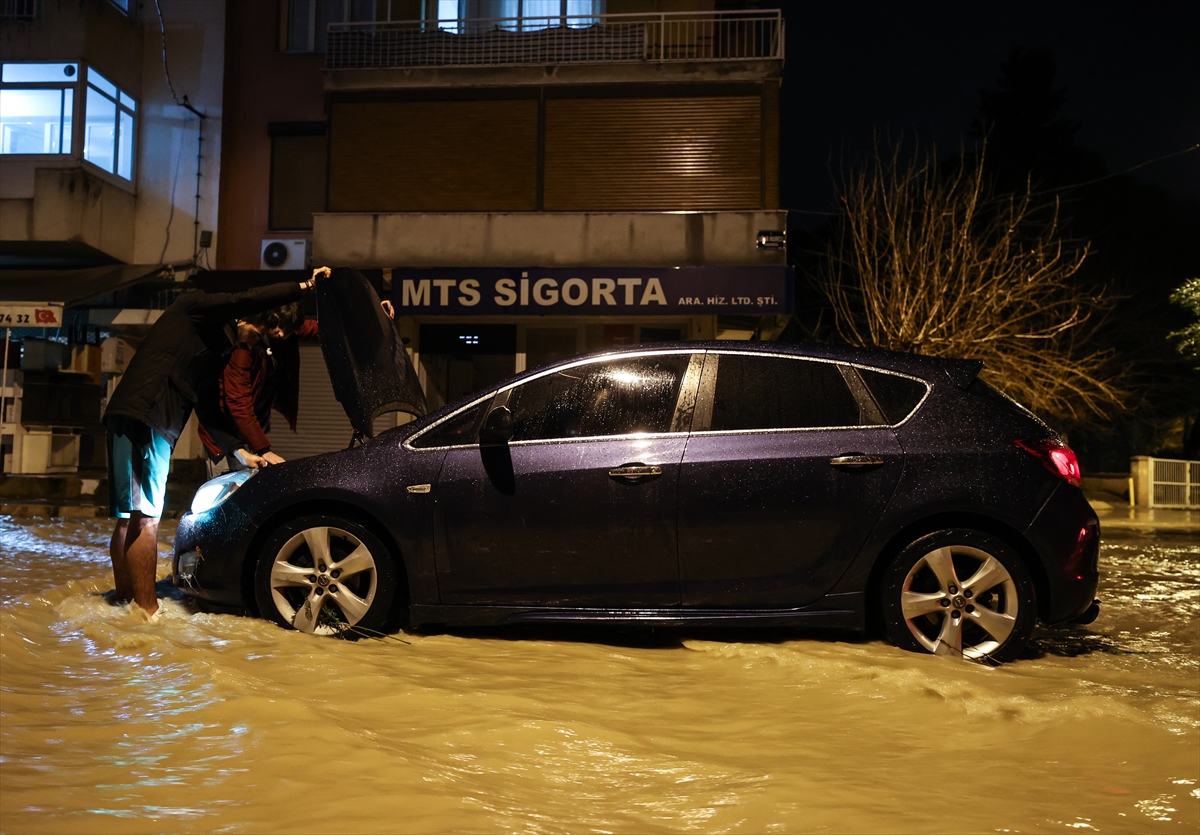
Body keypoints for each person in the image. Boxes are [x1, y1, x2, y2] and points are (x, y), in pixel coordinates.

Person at [103, 267, 330, 617]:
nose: (253, 347)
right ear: (251, 318)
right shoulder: (194, 307)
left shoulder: (216, 345)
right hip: (148, 413)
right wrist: (305, 286)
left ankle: (123, 603)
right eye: (256, 337)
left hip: (135, 414)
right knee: (146, 517)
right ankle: (146, 612)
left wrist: (240, 451)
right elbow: (246, 297)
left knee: (128, 516)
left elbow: (207, 405)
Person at [197, 286, 394, 475]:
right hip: (223, 436)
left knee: (246, 494)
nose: (283, 334)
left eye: (289, 331)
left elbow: (326, 328)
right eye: (281, 328)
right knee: (223, 495)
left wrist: (371, 316)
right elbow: (237, 402)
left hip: (249, 430)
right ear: (272, 318)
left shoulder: (281, 331)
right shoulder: (244, 345)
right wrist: (263, 449)